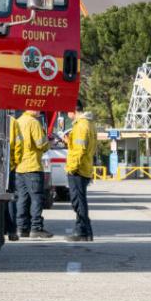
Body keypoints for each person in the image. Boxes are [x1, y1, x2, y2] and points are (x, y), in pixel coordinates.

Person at [11, 110, 53, 238]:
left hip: (19, 167)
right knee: (36, 198)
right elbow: (41, 144)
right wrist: (48, 142)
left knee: (22, 198)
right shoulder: (34, 123)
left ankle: (21, 228)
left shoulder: (18, 121)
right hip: (33, 165)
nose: (39, 110)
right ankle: (36, 228)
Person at [64, 103, 96, 242]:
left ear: (73, 110)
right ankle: (83, 231)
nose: (67, 114)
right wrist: (68, 141)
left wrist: (72, 168)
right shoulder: (87, 124)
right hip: (84, 167)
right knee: (79, 200)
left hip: (78, 169)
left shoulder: (81, 126)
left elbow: (80, 150)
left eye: (67, 111)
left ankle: (83, 231)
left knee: (78, 201)